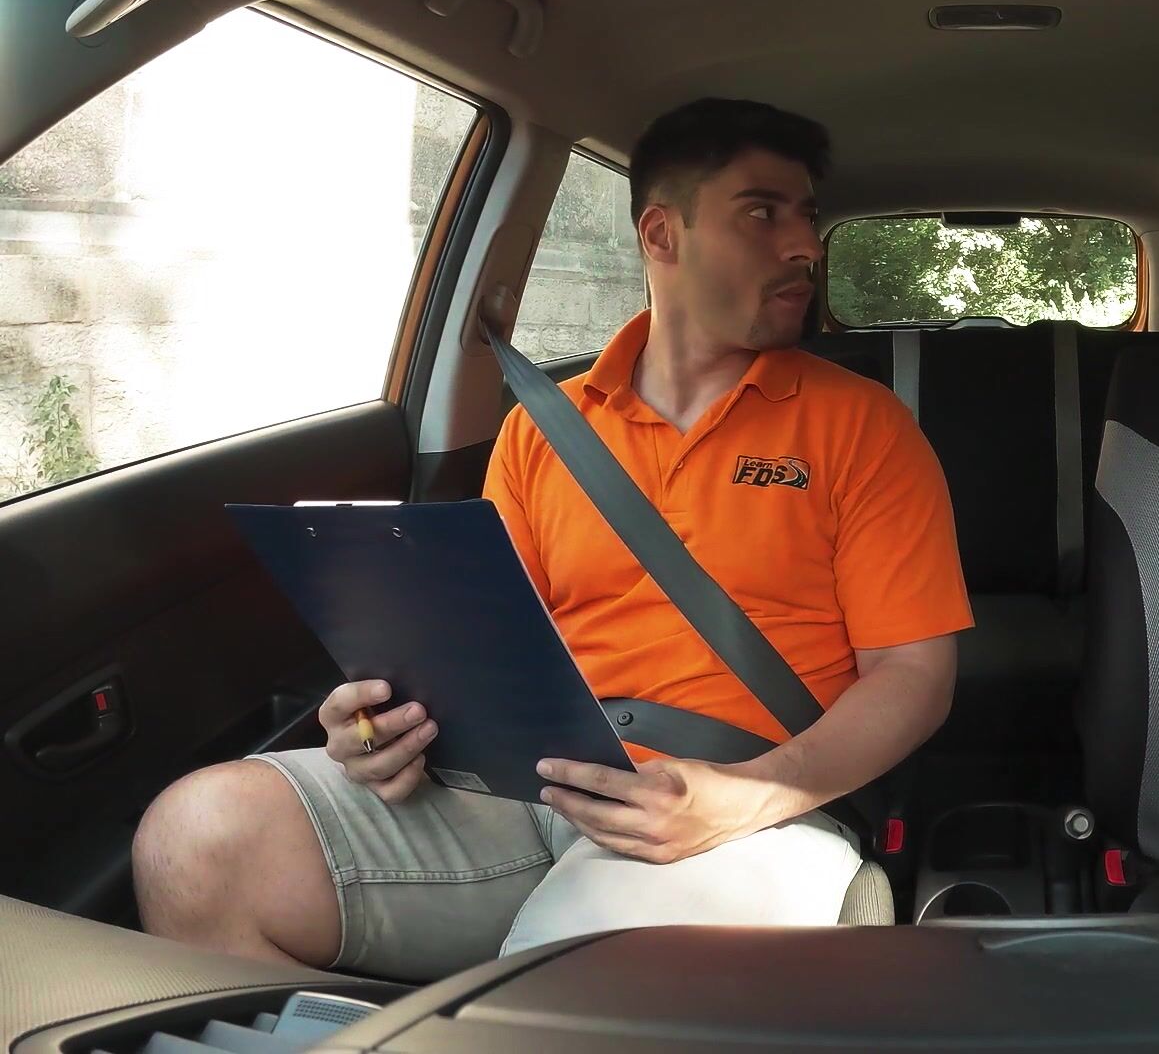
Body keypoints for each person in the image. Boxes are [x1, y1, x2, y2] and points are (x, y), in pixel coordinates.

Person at [129, 98, 974, 980]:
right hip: (531, 789)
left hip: (752, 812)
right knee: (197, 836)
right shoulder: (543, 429)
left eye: (807, 216)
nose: (804, 245)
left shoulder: (864, 427)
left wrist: (750, 796)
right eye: (763, 213)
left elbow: (913, 676)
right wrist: (385, 722)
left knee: (579, 983)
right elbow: (491, 645)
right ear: (662, 234)